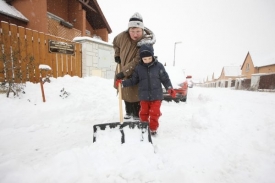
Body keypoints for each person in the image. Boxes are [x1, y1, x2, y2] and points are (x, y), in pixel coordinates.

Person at [115, 44, 176, 135]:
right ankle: (143, 126)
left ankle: (153, 129)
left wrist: (169, 88)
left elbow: (165, 79)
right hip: (144, 96)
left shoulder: (158, 66)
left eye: (149, 58)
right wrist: (123, 83)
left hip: (156, 96)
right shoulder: (139, 68)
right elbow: (133, 80)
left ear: (152, 56)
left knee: (154, 113)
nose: (147, 61)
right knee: (143, 113)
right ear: (141, 59)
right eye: (144, 59)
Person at [113, 12, 156, 120]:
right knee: (126, 92)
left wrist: (124, 72)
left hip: (137, 73)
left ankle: (137, 116)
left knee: (136, 94)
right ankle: (128, 113)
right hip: (122, 68)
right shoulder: (122, 36)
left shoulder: (146, 43)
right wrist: (117, 54)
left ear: (142, 30)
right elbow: (115, 43)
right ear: (129, 30)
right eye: (132, 31)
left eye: (138, 31)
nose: (135, 34)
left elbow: (138, 61)